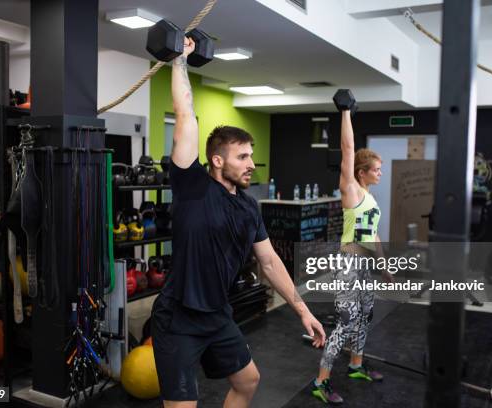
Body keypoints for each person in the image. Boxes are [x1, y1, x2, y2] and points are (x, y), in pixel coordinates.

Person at [151, 36, 326, 408]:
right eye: (243, 156)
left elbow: (270, 261)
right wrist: (179, 60)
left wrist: (303, 310)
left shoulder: (248, 207)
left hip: (217, 315)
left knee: (248, 381)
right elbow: (184, 115)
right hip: (178, 318)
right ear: (217, 160)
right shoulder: (192, 186)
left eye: (252, 155)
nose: (251, 163)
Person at [310, 104, 394, 405]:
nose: (381, 172)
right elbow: (348, 148)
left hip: (366, 267)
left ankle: (356, 365)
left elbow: (374, 235)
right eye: (377, 169)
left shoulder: (370, 198)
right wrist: (345, 112)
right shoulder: (352, 191)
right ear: (362, 172)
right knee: (346, 322)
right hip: (349, 266)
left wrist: (383, 267)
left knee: (365, 317)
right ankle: (320, 382)